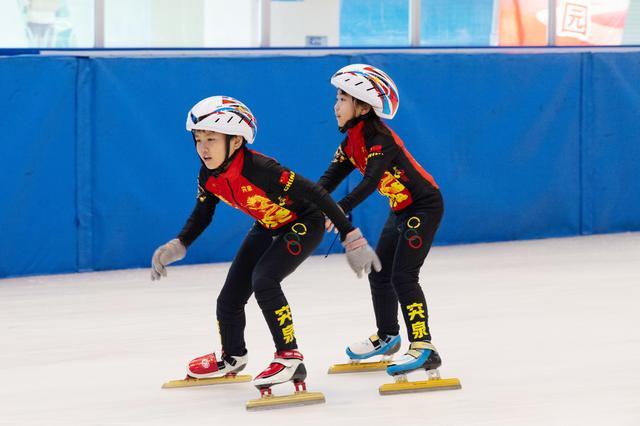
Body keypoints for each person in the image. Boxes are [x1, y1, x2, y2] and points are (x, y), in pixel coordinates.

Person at [150, 95, 380, 394]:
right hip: (268, 225)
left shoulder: (260, 168)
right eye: (198, 139)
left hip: (303, 223)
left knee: (264, 280)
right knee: (229, 298)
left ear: (235, 142)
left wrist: (352, 236)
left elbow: (315, 193)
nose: (203, 148)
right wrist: (179, 243)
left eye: (211, 139)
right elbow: (202, 214)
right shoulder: (208, 175)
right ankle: (233, 356)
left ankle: (290, 357)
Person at [318, 64, 445, 376]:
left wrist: (338, 209)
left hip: (424, 207)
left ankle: (424, 347)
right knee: (380, 272)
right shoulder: (351, 141)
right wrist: (299, 206)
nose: (335, 106)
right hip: (400, 208)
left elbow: (370, 183)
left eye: (341, 99)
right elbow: (326, 182)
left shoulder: (379, 138)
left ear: (362, 105)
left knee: (404, 276)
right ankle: (388, 337)